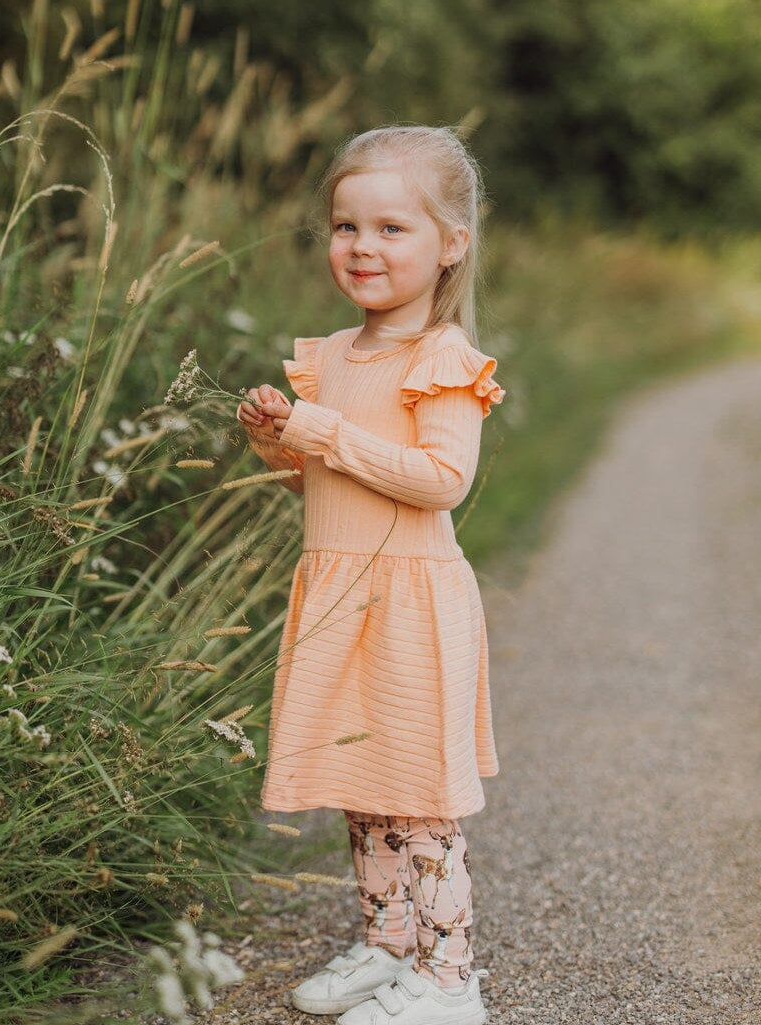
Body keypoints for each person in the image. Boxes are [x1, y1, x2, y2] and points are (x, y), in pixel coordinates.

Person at [236, 125, 504, 1025]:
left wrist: (319, 433)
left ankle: (448, 975)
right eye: (346, 226)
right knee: (362, 785)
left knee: (416, 797)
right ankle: (388, 944)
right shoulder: (333, 357)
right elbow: (321, 478)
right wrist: (279, 440)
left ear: (449, 245)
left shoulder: (442, 359)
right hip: (339, 595)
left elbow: (441, 482)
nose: (361, 247)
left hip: (411, 602)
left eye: (392, 228)